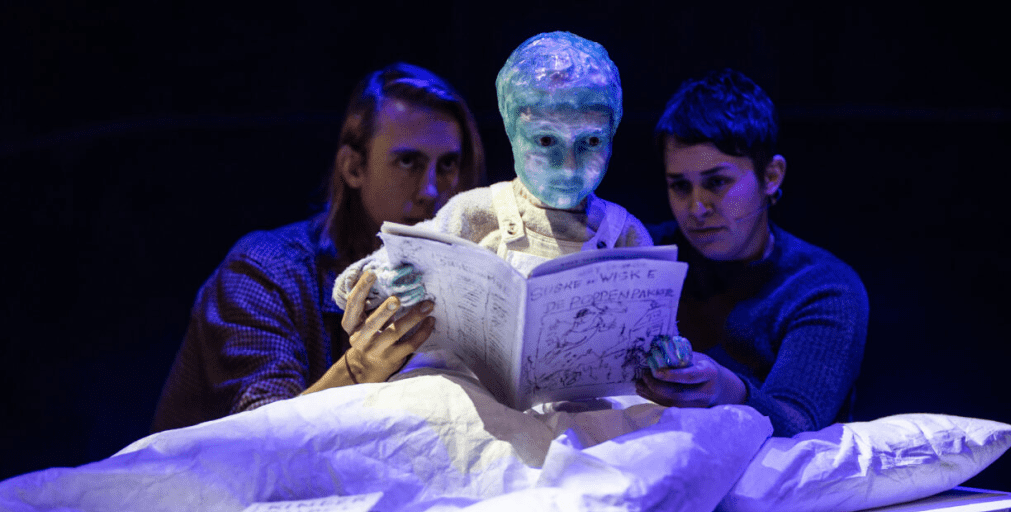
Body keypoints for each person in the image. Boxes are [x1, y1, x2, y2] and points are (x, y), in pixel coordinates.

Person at [151, 63, 485, 432]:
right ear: (353, 168)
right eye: (408, 162)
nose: (431, 191)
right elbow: (263, 439)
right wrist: (358, 369)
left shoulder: (461, 279)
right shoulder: (263, 272)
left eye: (448, 164)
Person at [335, 31, 652, 316]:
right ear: (513, 133)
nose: (569, 166)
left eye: (592, 141)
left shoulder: (624, 234)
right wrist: (383, 280)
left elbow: (654, 319)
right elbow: (363, 280)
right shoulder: (475, 213)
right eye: (545, 140)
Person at [637, 68, 869, 437]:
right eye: (680, 186)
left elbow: (798, 423)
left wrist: (724, 389)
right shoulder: (643, 254)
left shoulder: (823, 287)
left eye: (717, 182)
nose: (697, 208)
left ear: (772, 176)